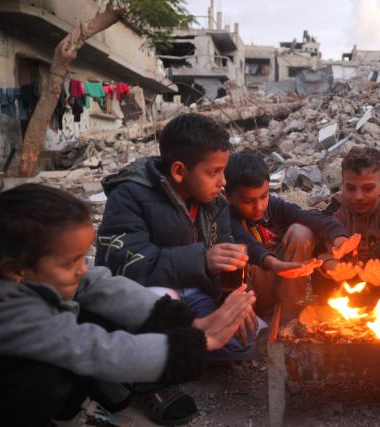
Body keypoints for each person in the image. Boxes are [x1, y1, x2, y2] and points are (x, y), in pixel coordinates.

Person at [0, 184, 255, 427]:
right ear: (15, 269)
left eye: (82, 258)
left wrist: (187, 321)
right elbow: (92, 349)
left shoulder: (39, 271)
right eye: (69, 263)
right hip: (12, 381)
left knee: (110, 307)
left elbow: (99, 284)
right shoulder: (10, 311)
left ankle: (75, 405)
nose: (82, 270)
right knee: (40, 381)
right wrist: (196, 344)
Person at [94, 113, 259, 422]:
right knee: (160, 297)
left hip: (191, 287)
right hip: (144, 292)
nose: (223, 181)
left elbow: (223, 251)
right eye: (215, 172)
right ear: (180, 171)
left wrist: (230, 294)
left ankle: (175, 351)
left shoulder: (215, 201)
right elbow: (128, 264)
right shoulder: (129, 195)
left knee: (246, 339)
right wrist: (202, 260)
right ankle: (148, 381)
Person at [224, 150, 355, 316]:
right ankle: (257, 320)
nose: (258, 206)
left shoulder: (273, 207)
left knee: (301, 232)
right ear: (227, 196)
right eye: (248, 201)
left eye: (263, 196)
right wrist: (275, 264)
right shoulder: (225, 216)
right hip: (251, 293)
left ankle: (289, 312)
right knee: (237, 256)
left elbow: (309, 216)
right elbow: (246, 243)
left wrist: (339, 238)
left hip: (284, 280)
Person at [317, 146, 380, 293]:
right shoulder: (337, 205)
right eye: (350, 188)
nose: (358, 197)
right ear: (342, 186)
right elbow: (319, 247)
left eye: (368, 189)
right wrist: (332, 266)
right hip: (343, 282)